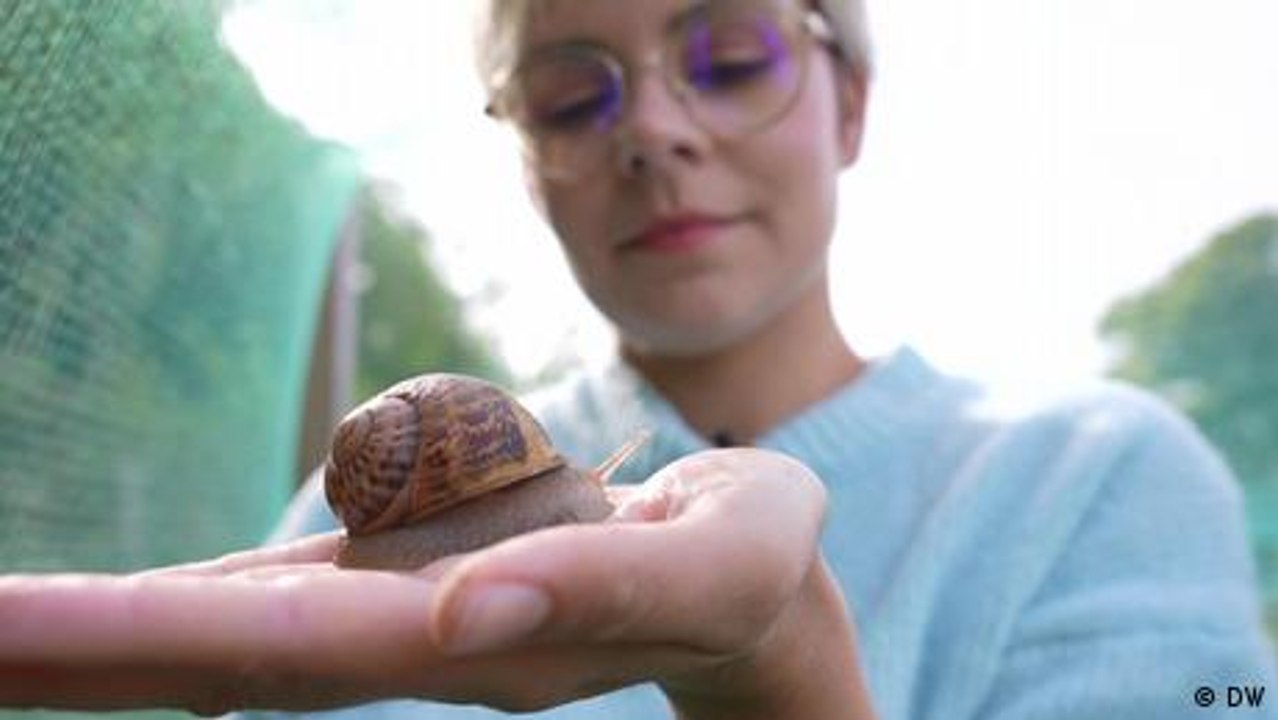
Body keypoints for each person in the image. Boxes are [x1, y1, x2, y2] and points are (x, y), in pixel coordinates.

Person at [0, 0, 1274, 718]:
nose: (655, 130)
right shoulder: (320, 566)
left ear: (852, 104)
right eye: (572, 96)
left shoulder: (1100, 481)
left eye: (728, 60)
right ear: (526, 158)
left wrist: (783, 678)